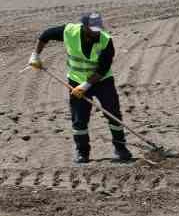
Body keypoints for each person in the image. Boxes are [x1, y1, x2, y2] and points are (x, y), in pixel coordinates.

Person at [29, 12, 132, 164]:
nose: (96, 31)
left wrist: (86, 85)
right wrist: (35, 55)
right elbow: (45, 35)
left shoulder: (106, 41)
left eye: (98, 28)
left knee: (113, 114)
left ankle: (121, 149)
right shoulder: (69, 32)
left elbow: (103, 69)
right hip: (76, 80)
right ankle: (82, 152)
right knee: (79, 119)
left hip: (102, 81)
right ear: (84, 27)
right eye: (92, 28)